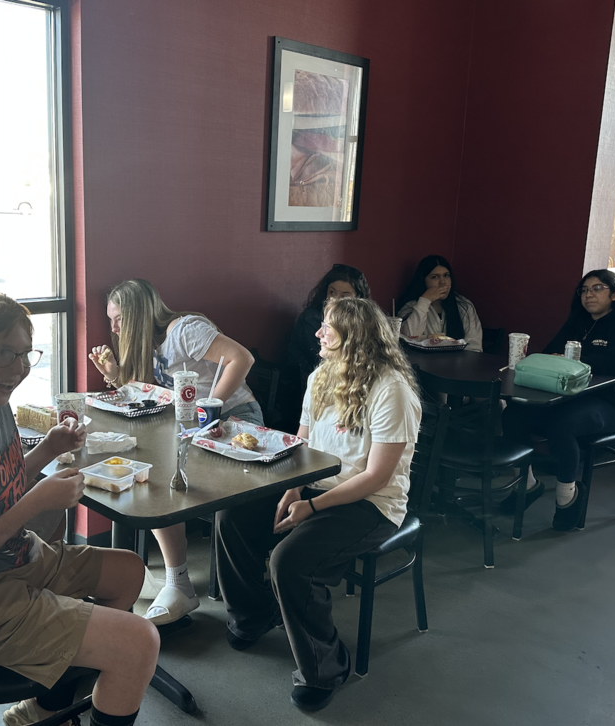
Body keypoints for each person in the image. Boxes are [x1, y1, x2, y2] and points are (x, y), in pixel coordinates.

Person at [0, 292, 159, 726]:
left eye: (24, 354)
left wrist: (48, 451)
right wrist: (35, 504)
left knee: (129, 571)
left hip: (13, 564)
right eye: (1, 353)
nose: (18, 368)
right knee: (139, 643)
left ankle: (46, 707)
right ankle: (97, 666)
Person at [215, 297, 421, 712]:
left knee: (290, 560)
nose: (318, 333)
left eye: (327, 328)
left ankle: (325, 668)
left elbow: (376, 476)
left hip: (372, 504)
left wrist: (313, 507)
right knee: (232, 515)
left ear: (354, 339)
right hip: (312, 484)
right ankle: (255, 614)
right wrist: (293, 490)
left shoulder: (391, 390)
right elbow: (303, 443)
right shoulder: (322, 376)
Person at [88, 279, 262, 625]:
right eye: (111, 320)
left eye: (119, 318)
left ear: (138, 314)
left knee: (163, 477)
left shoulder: (184, 330)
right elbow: (152, 393)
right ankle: (177, 582)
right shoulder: (148, 345)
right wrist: (115, 376)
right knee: (147, 471)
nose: (114, 328)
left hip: (235, 420)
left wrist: (209, 409)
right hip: (190, 426)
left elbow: (242, 357)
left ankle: (178, 585)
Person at [501, 270, 615, 532]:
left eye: (597, 288)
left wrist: (574, 363)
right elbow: (550, 353)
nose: (589, 295)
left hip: (611, 403)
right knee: (514, 413)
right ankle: (527, 483)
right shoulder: (578, 321)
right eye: (584, 290)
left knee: (563, 424)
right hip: (567, 397)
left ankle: (567, 497)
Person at [287, 263, 370, 387]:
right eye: (332, 292)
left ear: (358, 299)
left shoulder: (358, 320)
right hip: (310, 383)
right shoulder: (311, 319)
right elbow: (326, 362)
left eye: (344, 296)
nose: (335, 299)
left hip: (343, 379)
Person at [396, 255, 483, 352]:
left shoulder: (463, 306)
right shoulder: (411, 306)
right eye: (435, 277)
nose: (442, 282)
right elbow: (408, 338)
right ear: (423, 280)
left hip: (457, 364)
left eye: (446, 275)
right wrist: (424, 301)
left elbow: (475, 347)